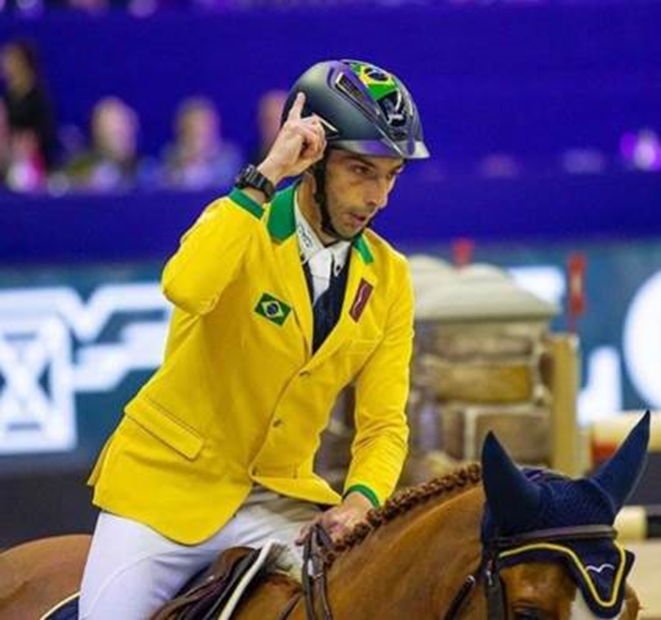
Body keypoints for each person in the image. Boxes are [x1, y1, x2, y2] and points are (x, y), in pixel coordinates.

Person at [79, 58, 429, 620]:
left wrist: (362, 498)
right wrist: (268, 173)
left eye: (391, 176)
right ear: (315, 161)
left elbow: (384, 423)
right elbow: (185, 285)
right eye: (361, 171)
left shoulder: (390, 277)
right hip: (165, 489)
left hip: (276, 501)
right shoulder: (243, 219)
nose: (378, 198)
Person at [159, 96, 243, 190]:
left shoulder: (228, 158)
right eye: (191, 130)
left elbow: (229, 184)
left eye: (204, 129)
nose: (198, 134)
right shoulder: (169, 158)